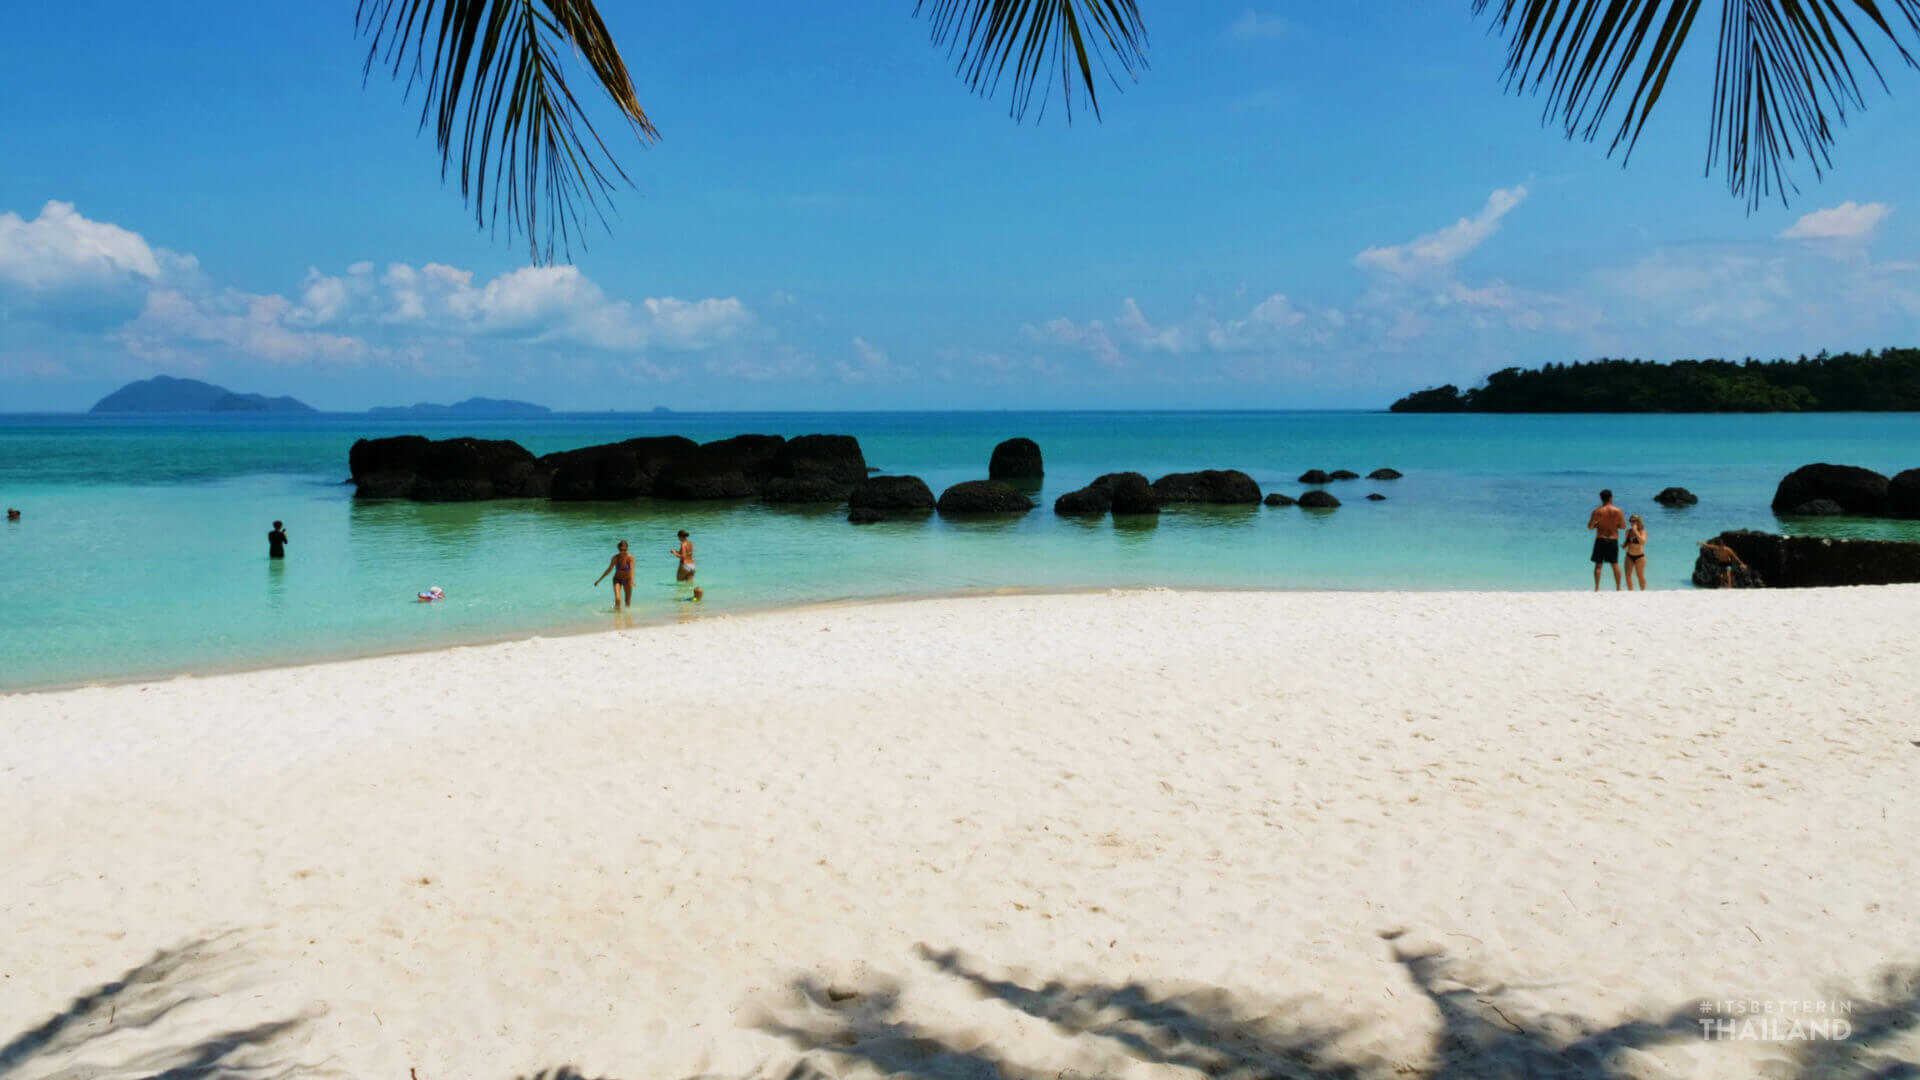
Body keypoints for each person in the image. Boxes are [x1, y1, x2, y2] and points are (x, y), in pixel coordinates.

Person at [1586, 489, 1626, 591]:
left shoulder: (1597, 511)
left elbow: (1590, 527)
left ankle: (1597, 587)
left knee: (1598, 565)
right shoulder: (1618, 511)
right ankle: (1618, 587)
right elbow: (1623, 527)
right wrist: (1615, 524)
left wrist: (1596, 524)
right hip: (1613, 539)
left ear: (1601, 498)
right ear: (1611, 497)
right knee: (1615, 565)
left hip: (1600, 539)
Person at [594, 540, 635, 610]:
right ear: (618, 549)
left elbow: (632, 570)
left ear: (627, 549)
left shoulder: (630, 557)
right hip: (617, 580)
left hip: (627, 580)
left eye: (625, 550)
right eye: (621, 550)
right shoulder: (615, 558)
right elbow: (609, 570)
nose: (623, 552)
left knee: (627, 602)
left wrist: (632, 581)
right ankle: (617, 616)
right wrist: (599, 580)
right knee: (618, 599)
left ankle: (627, 618)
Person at [1623, 514, 1649, 591]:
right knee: (1628, 575)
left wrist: (1635, 531)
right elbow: (1627, 542)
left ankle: (1643, 591)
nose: (1631, 523)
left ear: (1638, 521)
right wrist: (1625, 545)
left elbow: (1643, 542)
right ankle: (1630, 592)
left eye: (1634, 521)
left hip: (1640, 556)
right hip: (1629, 555)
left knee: (1640, 575)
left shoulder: (1643, 532)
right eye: (1630, 521)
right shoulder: (1628, 532)